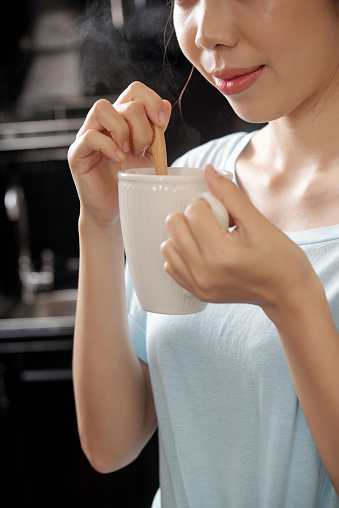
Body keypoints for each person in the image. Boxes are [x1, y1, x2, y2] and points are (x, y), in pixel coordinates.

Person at [68, 0, 339, 506]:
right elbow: (110, 444)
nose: (208, 31)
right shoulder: (189, 179)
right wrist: (101, 223)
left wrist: (292, 298)